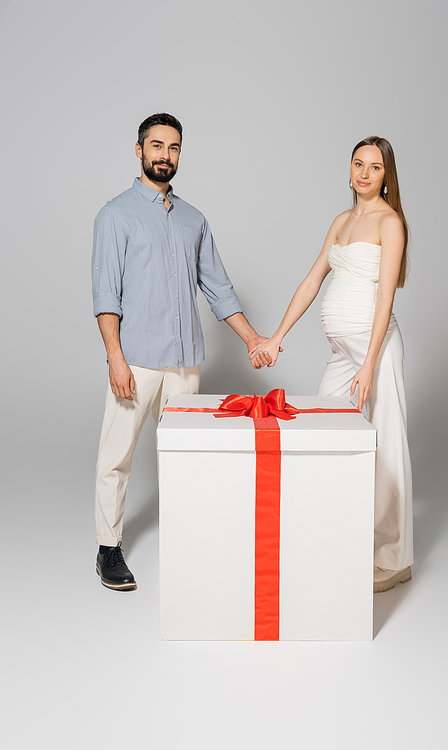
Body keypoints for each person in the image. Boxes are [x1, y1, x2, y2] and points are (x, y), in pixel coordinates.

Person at [92, 112, 271, 591]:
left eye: (172, 148)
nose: (164, 156)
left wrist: (252, 338)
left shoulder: (194, 219)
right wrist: (115, 358)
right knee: (116, 456)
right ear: (139, 150)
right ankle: (108, 548)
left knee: (187, 453)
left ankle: (193, 538)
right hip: (136, 360)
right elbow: (106, 294)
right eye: (156, 146)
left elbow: (219, 288)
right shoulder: (115, 215)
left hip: (185, 361)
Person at [250, 136, 414, 593]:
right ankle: (332, 534)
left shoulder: (390, 222)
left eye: (375, 167)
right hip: (344, 352)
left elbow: (385, 297)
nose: (364, 173)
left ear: (386, 176)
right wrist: (276, 336)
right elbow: (311, 280)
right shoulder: (341, 221)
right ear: (349, 170)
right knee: (321, 426)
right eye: (358, 164)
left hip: (374, 347)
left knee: (387, 442)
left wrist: (371, 362)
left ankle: (392, 556)